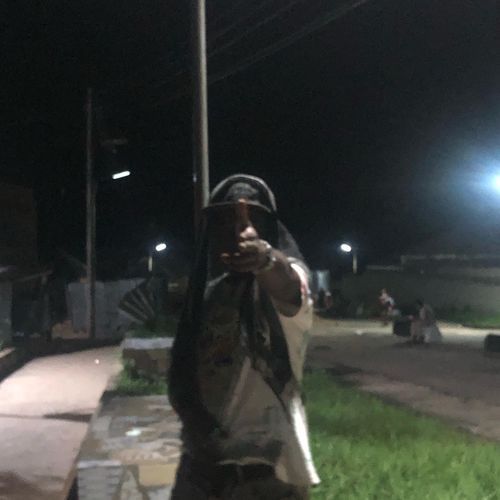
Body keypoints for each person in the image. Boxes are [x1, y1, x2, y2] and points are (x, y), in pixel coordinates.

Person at [168, 174, 320, 499]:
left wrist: (265, 259)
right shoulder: (209, 296)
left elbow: (288, 283)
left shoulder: (281, 293)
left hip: (265, 482)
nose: (237, 230)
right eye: (225, 220)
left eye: (253, 219)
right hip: (200, 475)